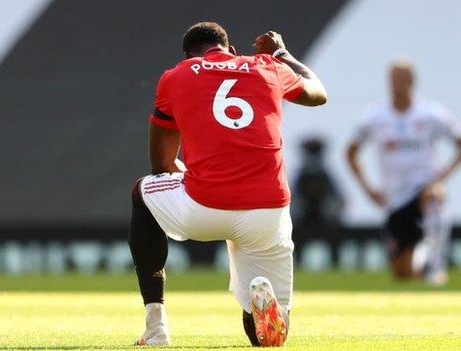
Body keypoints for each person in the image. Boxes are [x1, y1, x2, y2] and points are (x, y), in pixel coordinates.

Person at [128, 22, 327, 347]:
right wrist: (282, 52)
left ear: (189, 56)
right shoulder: (267, 66)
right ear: (232, 51)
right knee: (265, 338)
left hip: (204, 208)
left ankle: (156, 327)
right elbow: (318, 94)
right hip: (267, 210)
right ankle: (262, 310)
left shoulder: (177, 75)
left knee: (142, 192)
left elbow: (161, 167)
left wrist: (192, 173)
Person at [346, 60, 461, 285]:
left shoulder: (431, 114)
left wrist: (441, 179)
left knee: (435, 199)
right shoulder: (375, 116)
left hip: (423, 187)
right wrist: (368, 189)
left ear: (412, 81)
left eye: (402, 79)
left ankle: (436, 269)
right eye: (394, 79)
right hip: (395, 199)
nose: (397, 84)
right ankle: (423, 260)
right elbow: (350, 152)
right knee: (403, 275)